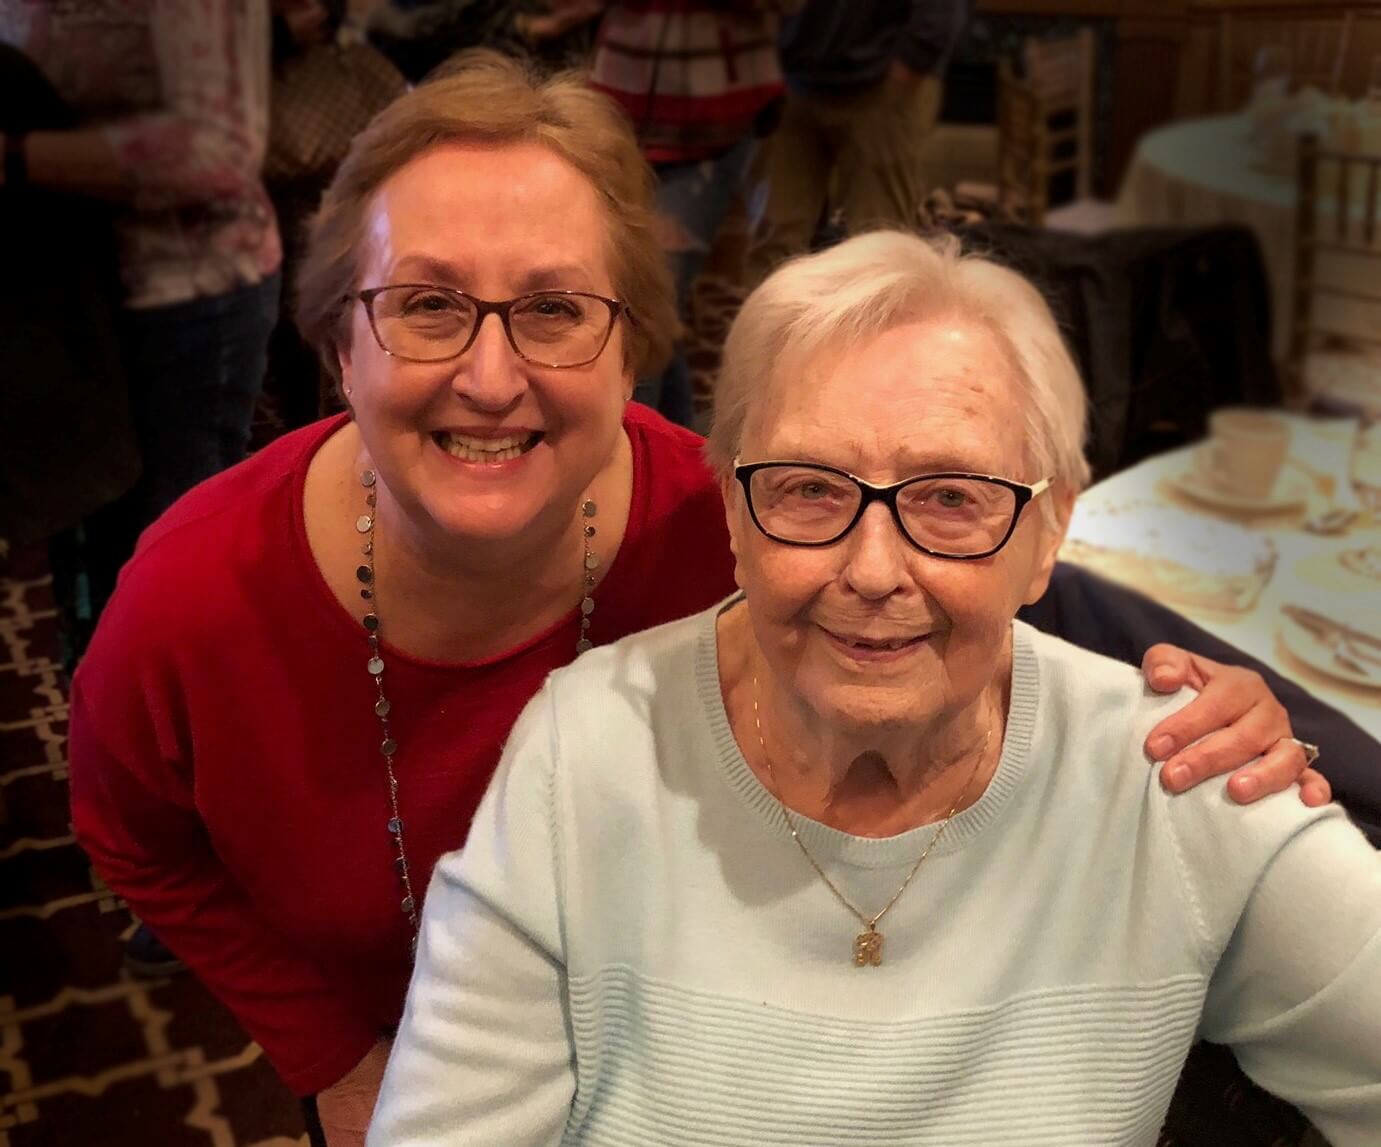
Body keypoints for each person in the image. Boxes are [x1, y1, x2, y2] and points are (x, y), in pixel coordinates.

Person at [67, 52, 1338, 1147]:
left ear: (631, 350)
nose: (491, 376)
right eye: (428, 305)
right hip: (404, 1043)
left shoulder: (741, 506)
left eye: (556, 309)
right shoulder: (197, 591)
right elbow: (129, 832)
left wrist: (1232, 717)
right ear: (337, 340)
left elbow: (980, 586)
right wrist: (331, 1051)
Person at [370, 230, 1381, 1146]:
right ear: (731, 508)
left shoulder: (1177, 773)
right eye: (808, 488)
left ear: (1048, 531)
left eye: (950, 498)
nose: (870, 569)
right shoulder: (585, 750)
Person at [0, 0, 283, 663]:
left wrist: (14, 156)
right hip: (65, 295)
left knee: (168, 565)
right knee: (92, 563)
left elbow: (221, 149)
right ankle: (109, 725)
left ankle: (180, 743)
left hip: (188, 294)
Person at [746, 0, 970, 285]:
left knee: (879, 243)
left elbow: (941, 13)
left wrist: (912, 60)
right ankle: (769, 326)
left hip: (880, 88)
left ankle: (877, 325)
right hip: (795, 78)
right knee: (772, 235)